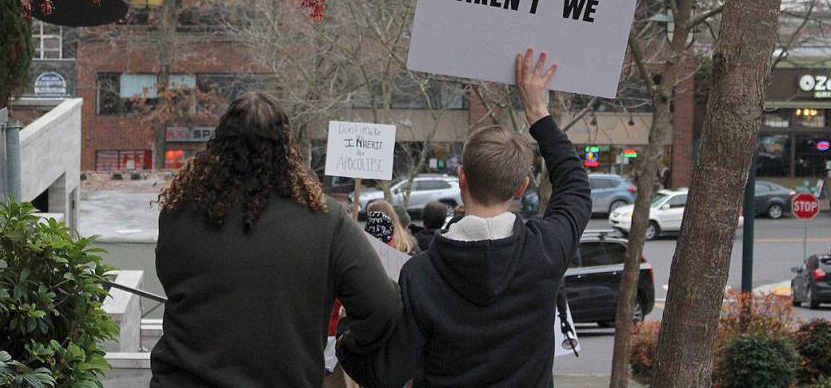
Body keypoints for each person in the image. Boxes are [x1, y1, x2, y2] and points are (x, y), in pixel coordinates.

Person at [338, 49, 592, 387]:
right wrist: (538, 113)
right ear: (521, 188)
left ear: (461, 179)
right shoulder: (546, 251)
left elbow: (385, 372)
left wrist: (348, 333)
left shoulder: (420, 276)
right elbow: (575, 186)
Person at [150, 92, 401, 387]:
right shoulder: (326, 219)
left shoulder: (179, 212)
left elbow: (172, 281)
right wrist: (347, 348)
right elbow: (381, 306)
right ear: (287, 149)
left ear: (218, 145)